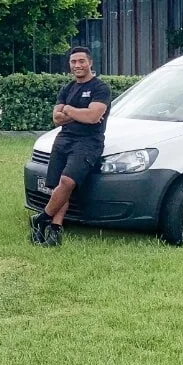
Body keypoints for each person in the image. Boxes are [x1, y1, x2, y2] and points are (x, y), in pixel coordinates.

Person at [30, 46, 112, 248]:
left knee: (67, 182)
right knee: (57, 186)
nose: (77, 65)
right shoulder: (67, 88)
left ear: (90, 63)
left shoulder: (100, 88)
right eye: (73, 62)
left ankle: (41, 218)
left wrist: (69, 110)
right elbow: (57, 119)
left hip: (88, 143)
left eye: (81, 61)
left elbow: (93, 118)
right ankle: (55, 231)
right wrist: (78, 113)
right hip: (63, 140)